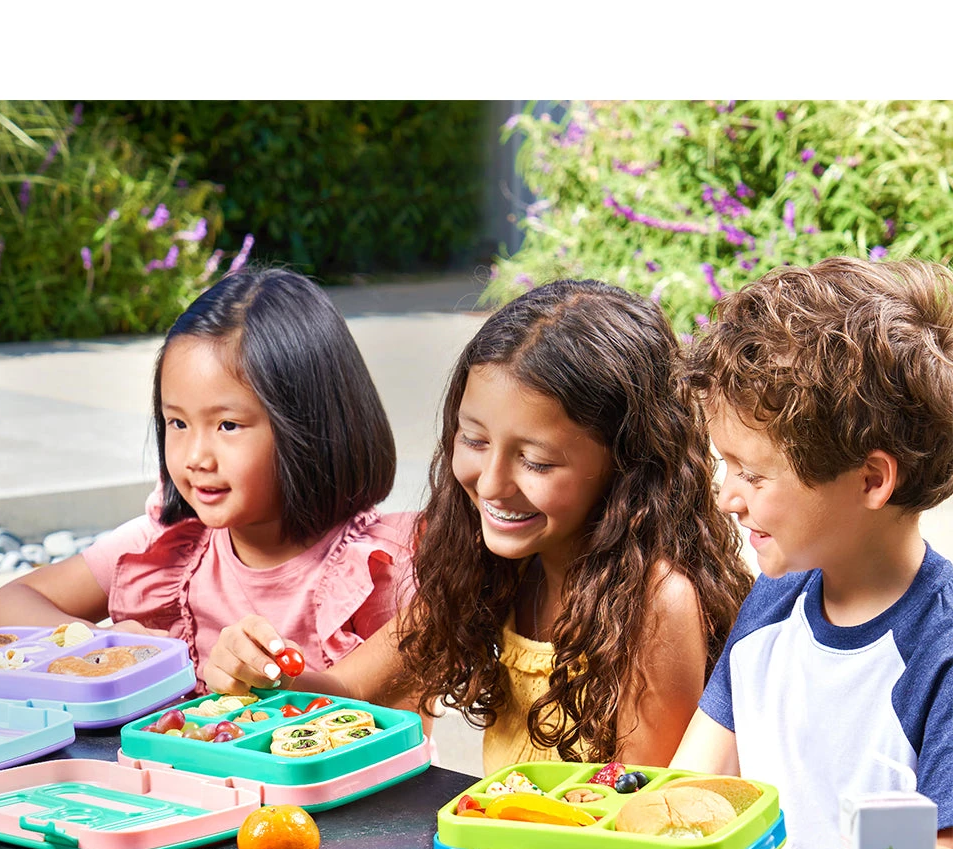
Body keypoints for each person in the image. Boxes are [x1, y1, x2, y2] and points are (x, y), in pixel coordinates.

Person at [205, 278, 754, 772]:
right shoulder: (494, 565)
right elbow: (345, 693)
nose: (490, 484)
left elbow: (640, 809)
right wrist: (267, 671)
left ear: (629, 463)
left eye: (535, 462)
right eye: (474, 440)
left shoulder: (656, 601)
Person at [0, 268, 417, 689]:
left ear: (309, 425)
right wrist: (108, 644)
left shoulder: (375, 567)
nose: (195, 458)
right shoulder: (171, 549)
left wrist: (262, 676)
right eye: (177, 423)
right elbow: (4, 607)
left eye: (227, 425)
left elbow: (365, 695)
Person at [670, 256, 953, 849]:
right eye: (725, 464)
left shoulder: (939, 655)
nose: (725, 496)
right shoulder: (774, 602)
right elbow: (689, 798)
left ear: (872, 480)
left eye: (753, 473)